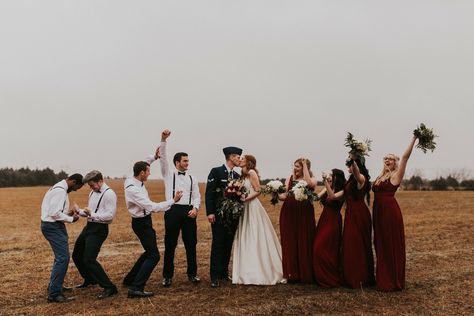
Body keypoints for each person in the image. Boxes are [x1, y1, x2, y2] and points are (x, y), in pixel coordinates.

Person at [123, 155, 183, 298]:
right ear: (142, 173)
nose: (150, 173)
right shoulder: (133, 189)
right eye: (148, 171)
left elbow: (144, 163)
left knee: (149, 252)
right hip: (141, 223)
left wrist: (154, 157)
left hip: (144, 221)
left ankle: (130, 279)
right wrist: (172, 201)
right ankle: (136, 287)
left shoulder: (131, 179)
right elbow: (152, 207)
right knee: (154, 255)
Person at [372, 136, 417, 291]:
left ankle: (392, 280)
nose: (387, 160)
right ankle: (383, 276)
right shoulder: (380, 176)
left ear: (395, 162)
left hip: (389, 212)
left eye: (390, 159)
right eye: (385, 158)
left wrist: (414, 138)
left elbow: (405, 157)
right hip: (378, 212)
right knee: (380, 243)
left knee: (390, 242)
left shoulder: (396, 174)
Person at [158, 130, 201, 287]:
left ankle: (192, 274)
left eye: (188, 161)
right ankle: (167, 276)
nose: (187, 163)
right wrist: (163, 139)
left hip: (189, 212)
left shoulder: (192, 178)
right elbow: (163, 159)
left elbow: (197, 196)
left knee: (191, 244)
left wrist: (196, 209)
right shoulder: (168, 174)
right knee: (170, 244)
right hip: (173, 211)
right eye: (184, 161)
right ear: (177, 162)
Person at [232, 155, 284, 285]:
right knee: (245, 234)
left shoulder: (251, 172)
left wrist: (245, 198)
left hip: (252, 206)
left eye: (243, 159)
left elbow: (258, 190)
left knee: (254, 233)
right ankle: (245, 270)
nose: (240, 160)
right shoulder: (242, 175)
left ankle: (260, 270)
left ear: (249, 162)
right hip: (243, 206)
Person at [327, 157, 375, 288]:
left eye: (350, 163)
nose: (347, 165)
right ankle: (349, 276)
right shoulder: (350, 182)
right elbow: (332, 196)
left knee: (358, 244)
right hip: (350, 215)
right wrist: (326, 182)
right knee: (349, 243)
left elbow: (357, 173)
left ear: (356, 165)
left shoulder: (361, 178)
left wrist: (353, 158)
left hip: (360, 214)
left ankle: (359, 277)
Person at [72, 170, 118, 299]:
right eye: (90, 186)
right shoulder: (92, 192)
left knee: (89, 259)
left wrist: (92, 214)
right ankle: (90, 279)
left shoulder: (109, 194)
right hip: (89, 226)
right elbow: (89, 212)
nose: (91, 188)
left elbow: (110, 216)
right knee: (76, 255)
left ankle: (110, 287)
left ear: (100, 180)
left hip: (100, 229)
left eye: (92, 185)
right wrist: (79, 211)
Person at [40, 173, 84, 303]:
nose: (75, 190)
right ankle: (54, 294)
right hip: (53, 226)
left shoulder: (58, 187)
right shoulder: (60, 191)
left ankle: (54, 286)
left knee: (60, 258)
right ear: (73, 182)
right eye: (77, 187)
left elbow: (55, 210)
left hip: (53, 225)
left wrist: (68, 213)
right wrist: (71, 219)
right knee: (63, 258)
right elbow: (54, 213)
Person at [206, 146, 242, 288]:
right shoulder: (216, 171)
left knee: (228, 244)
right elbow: (209, 194)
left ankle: (223, 273)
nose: (239, 159)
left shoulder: (238, 176)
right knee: (218, 244)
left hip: (232, 216)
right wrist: (210, 212)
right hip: (218, 215)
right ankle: (214, 276)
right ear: (231, 157)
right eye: (237, 157)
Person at [279, 158, 317, 283]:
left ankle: (304, 273)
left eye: (298, 166)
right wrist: (275, 193)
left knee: (304, 240)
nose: (295, 168)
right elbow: (284, 196)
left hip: (304, 213)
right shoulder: (290, 179)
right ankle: (290, 273)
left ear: (305, 168)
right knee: (289, 241)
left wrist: (305, 164)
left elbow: (309, 185)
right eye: (294, 166)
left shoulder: (312, 179)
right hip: (289, 212)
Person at [313, 169, 345, 288]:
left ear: (337, 178)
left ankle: (330, 277)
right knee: (317, 246)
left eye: (332, 175)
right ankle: (320, 276)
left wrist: (326, 182)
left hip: (333, 220)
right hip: (324, 219)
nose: (330, 177)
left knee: (324, 247)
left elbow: (332, 197)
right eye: (329, 175)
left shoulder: (342, 191)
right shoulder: (327, 187)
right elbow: (316, 198)